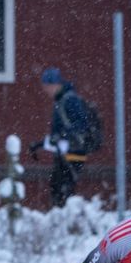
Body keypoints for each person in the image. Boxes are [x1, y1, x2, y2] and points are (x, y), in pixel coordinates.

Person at [37, 66, 93, 208]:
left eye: (47, 86)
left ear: (56, 84)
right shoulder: (60, 100)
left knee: (63, 189)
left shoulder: (69, 100)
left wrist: (62, 135)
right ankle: (63, 217)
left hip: (74, 153)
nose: (46, 90)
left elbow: (81, 125)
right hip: (64, 152)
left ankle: (68, 219)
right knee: (58, 187)